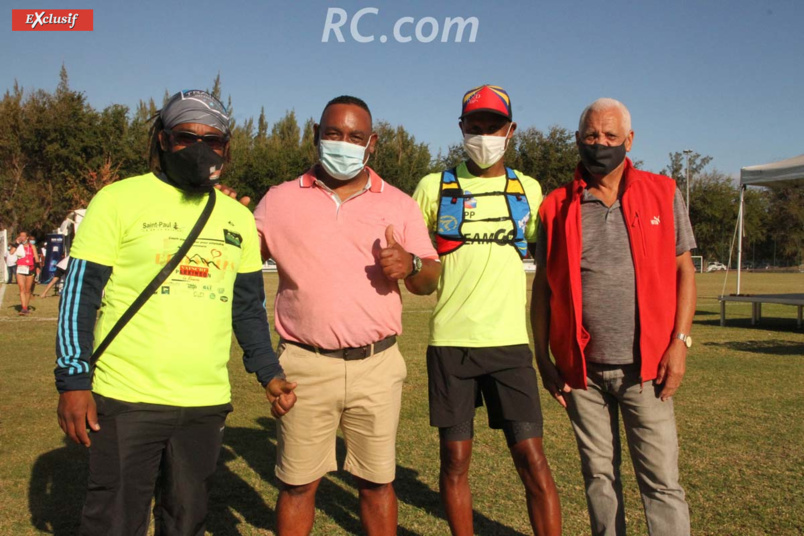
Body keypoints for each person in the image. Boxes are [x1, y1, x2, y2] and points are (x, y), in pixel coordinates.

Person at [54, 89, 298, 535]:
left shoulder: (238, 218)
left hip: (203, 403)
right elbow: (80, 296)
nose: (202, 148)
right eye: (188, 136)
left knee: (186, 520)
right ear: (164, 140)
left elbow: (247, 308)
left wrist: (269, 372)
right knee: (113, 522)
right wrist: (73, 381)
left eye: (215, 140)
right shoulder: (117, 200)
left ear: (226, 147)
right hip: (126, 397)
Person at [254, 95, 441, 536]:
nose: (344, 143)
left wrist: (411, 265)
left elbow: (429, 277)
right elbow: (238, 258)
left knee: (377, 484)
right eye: (333, 134)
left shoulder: (398, 203)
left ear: (371, 143)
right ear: (316, 136)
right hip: (303, 365)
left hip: (376, 366)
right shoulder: (279, 200)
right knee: (298, 486)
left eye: (355, 136)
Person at [531, 98, 696, 536]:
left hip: (647, 370)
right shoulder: (556, 206)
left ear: (629, 140)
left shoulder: (663, 191)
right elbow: (543, 290)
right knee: (600, 480)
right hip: (582, 373)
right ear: (578, 139)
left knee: (661, 483)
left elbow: (685, 271)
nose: (600, 144)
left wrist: (679, 344)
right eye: (591, 136)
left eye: (609, 136)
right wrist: (543, 358)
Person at [412, 85, 561, 536]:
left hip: (510, 345)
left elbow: (556, 260)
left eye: (492, 126)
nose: (483, 135)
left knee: (532, 459)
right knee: (454, 460)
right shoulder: (433, 186)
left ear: (510, 130)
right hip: (451, 344)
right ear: (461, 129)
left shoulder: (527, 189)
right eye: (474, 127)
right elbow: (417, 267)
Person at [14, 232, 39, 315]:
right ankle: (23, 308)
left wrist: (37, 268)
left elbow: (36, 258)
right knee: (22, 288)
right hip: (20, 268)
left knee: (28, 290)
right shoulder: (18, 246)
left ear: (27, 237)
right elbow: (11, 252)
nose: (22, 237)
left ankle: (26, 307)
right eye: (20, 236)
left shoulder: (32, 246)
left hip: (30, 268)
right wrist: (16, 244)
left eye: (24, 236)